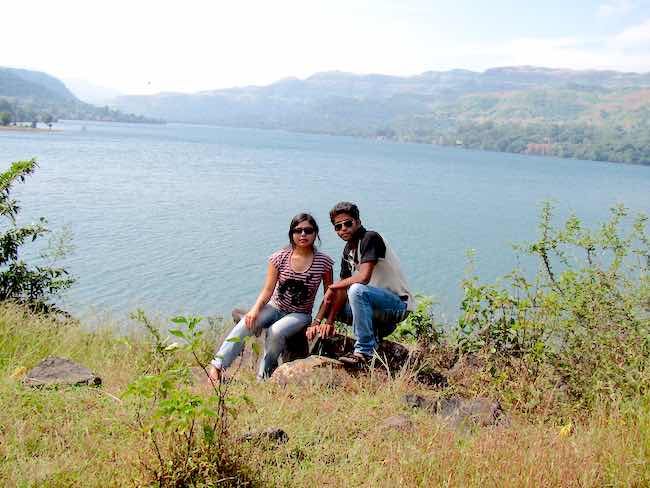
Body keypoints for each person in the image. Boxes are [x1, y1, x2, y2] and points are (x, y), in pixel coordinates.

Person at [208, 213, 333, 381]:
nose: (303, 235)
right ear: (291, 233)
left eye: (308, 231)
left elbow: (328, 296)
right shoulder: (279, 257)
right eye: (298, 230)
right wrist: (254, 311)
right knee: (246, 323)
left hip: (300, 314)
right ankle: (218, 365)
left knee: (276, 331)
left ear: (315, 234)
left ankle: (263, 377)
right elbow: (267, 290)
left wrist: (318, 321)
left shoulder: (323, 262)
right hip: (275, 307)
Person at [306, 202, 413, 367]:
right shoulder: (348, 251)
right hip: (379, 313)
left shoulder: (370, 238)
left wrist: (333, 286)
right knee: (333, 303)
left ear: (358, 221)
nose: (343, 229)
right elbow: (340, 290)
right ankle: (375, 335)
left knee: (356, 290)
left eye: (348, 223)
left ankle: (364, 352)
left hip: (397, 306)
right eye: (338, 226)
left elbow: (363, 277)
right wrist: (326, 321)